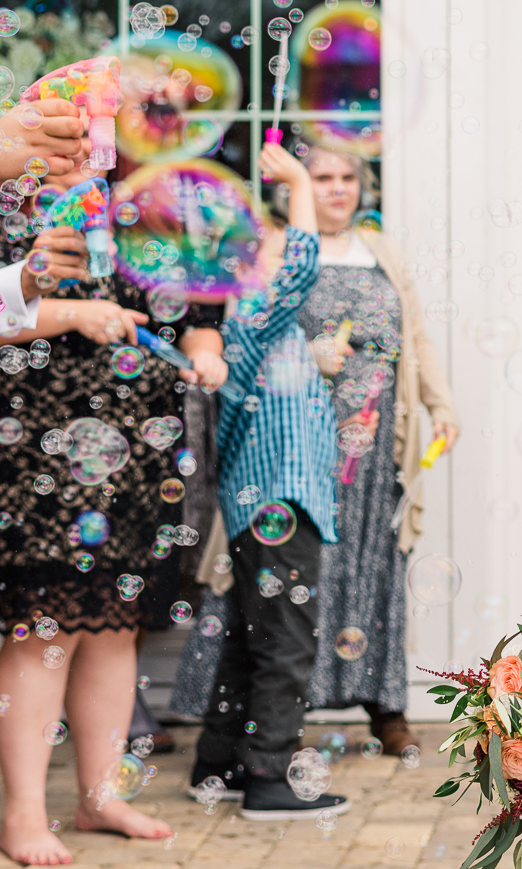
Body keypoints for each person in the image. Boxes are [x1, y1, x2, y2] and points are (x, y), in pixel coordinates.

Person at [0, 155, 227, 866]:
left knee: (115, 627)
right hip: (37, 455)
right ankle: (24, 815)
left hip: (136, 456)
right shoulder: (7, 207)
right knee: (47, 628)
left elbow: (196, 315)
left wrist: (204, 353)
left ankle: (99, 797)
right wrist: (71, 313)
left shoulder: (149, 215)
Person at [190, 143, 348, 820]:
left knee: (249, 636)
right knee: (287, 638)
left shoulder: (255, 333)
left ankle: (218, 765)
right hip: (279, 500)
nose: (286, 262)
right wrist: (297, 184)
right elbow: (303, 270)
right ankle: (270, 778)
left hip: (267, 503)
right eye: (273, 254)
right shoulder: (250, 318)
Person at [298, 147, 458, 758]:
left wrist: (442, 404)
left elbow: (414, 333)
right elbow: (258, 338)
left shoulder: (380, 250)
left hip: (378, 442)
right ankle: (288, 708)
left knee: (378, 562)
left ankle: (386, 708)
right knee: (304, 569)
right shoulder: (284, 251)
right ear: (298, 186)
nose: (336, 189)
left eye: (347, 178)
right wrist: (307, 358)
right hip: (306, 442)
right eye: (322, 178)